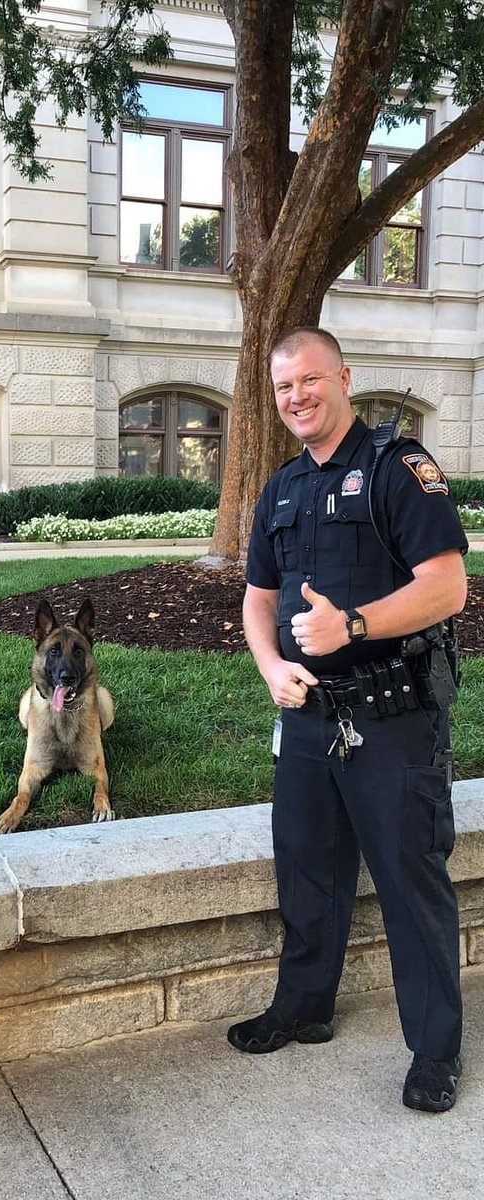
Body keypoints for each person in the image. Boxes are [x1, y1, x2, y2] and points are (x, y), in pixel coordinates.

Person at [228, 328, 467, 1113]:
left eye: (309, 381)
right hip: (306, 719)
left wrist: (352, 627)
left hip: (393, 719)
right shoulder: (283, 487)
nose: (297, 396)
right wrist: (270, 666)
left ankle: (435, 1051)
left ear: (343, 379)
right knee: (305, 869)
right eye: (284, 386)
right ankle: (304, 1006)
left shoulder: (399, 469)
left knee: (410, 881)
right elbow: (259, 597)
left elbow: (447, 585)